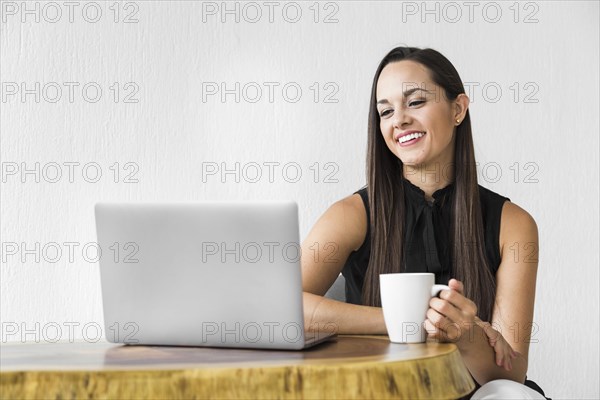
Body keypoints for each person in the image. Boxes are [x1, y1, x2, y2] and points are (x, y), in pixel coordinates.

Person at [301, 46, 550, 399]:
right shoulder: (351, 214)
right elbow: (282, 310)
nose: (398, 119)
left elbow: (510, 374)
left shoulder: (514, 224)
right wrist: (407, 319)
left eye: (415, 102)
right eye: (385, 111)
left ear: (458, 109)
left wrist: (466, 334)